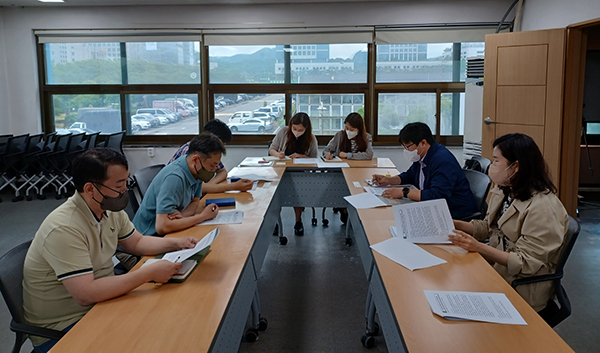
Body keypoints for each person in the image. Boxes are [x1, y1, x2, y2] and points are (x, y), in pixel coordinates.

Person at [22, 148, 198, 353]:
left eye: (126, 182)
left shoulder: (108, 209)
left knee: (163, 319)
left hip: (102, 302)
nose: (125, 190)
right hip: (65, 326)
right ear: (90, 189)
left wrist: (177, 243)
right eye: (119, 185)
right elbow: (85, 294)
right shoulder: (64, 228)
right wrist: (147, 274)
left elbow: (137, 243)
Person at [450, 133, 569, 313]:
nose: (491, 166)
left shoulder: (543, 207)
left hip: (520, 286)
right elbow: (488, 228)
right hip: (498, 268)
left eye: (496, 161)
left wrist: (478, 247)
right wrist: (456, 224)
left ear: (515, 166)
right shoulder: (506, 189)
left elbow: (526, 263)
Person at [372, 122, 476, 220]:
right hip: (432, 207)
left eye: (408, 146)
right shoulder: (422, 156)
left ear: (423, 143)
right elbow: (410, 176)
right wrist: (389, 180)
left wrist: (404, 192)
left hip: (454, 213)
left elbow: (437, 196)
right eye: (404, 147)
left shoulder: (442, 160)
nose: (406, 151)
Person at [133, 132, 225, 236]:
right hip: (148, 236)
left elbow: (195, 203)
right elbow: (162, 227)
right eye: (212, 166)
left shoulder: (196, 171)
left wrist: (180, 216)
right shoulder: (174, 178)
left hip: (169, 231)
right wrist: (202, 217)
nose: (213, 170)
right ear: (195, 159)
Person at [168, 119, 253, 193]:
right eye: (221, 143)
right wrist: (234, 186)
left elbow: (222, 172)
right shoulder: (192, 151)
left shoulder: (210, 151)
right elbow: (199, 188)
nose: (221, 147)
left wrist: (210, 185)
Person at [269, 112, 318, 235]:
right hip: (280, 171)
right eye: (294, 128)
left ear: (306, 129)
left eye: (300, 130)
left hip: (300, 174)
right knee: (276, 195)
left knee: (297, 193)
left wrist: (301, 156)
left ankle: (298, 221)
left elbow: (314, 158)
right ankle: (275, 221)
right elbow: (272, 149)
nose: (296, 131)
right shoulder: (283, 132)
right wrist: (278, 154)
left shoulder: (311, 139)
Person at [323, 112, 373, 223]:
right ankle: (342, 208)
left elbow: (369, 155)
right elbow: (326, 150)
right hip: (339, 171)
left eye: (352, 129)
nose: (348, 131)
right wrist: (327, 155)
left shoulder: (367, 137)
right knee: (340, 185)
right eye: (346, 128)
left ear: (359, 129)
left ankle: (354, 210)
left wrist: (349, 155)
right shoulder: (340, 135)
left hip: (358, 172)